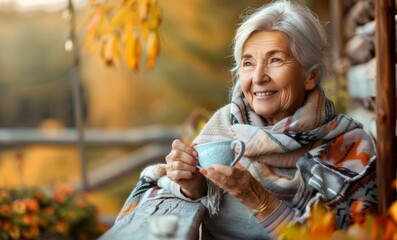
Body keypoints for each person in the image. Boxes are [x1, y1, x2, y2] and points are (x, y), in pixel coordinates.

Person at [115, 0, 377, 239]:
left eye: (275, 60)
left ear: (311, 76)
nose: (258, 77)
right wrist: (191, 185)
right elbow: (186, 189)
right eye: (248, 63)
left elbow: (345, 234)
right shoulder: (225, 124)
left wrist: (261, 201)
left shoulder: (350, 147)